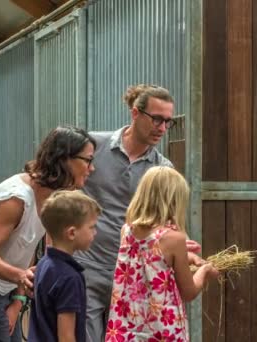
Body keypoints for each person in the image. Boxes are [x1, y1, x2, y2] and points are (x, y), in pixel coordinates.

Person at [75, 84, 202, 341]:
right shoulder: (93, 146)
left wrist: (184, 251)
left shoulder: (162, 168)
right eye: (157, 119)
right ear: (135, 113)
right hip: (86, 265)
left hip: (131, 278)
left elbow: (170, 221)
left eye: (168, 122)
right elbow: (64, 191)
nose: (162, 128)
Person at [0, 126, 96, 342]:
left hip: (3, 295)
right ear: (65, 159)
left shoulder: (52, 198)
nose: (92, 168)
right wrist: (21, 276)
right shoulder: (17, 198)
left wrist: (17, 301)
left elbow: (37, 254)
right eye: (88, 160)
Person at [104, 166, 219, 341]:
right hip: (161, 330)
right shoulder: (174, 239)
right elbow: (188, 292)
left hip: (127, 329)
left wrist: (188, 257)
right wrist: (204, 271)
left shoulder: (126, 231)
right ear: (174, 201)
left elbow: (149, 260)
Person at [28, 190, 101, 342]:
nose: (95, 233)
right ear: (72, 233)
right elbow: (66, 336)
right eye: (91, 227)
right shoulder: (69, 278)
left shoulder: (43, 264)